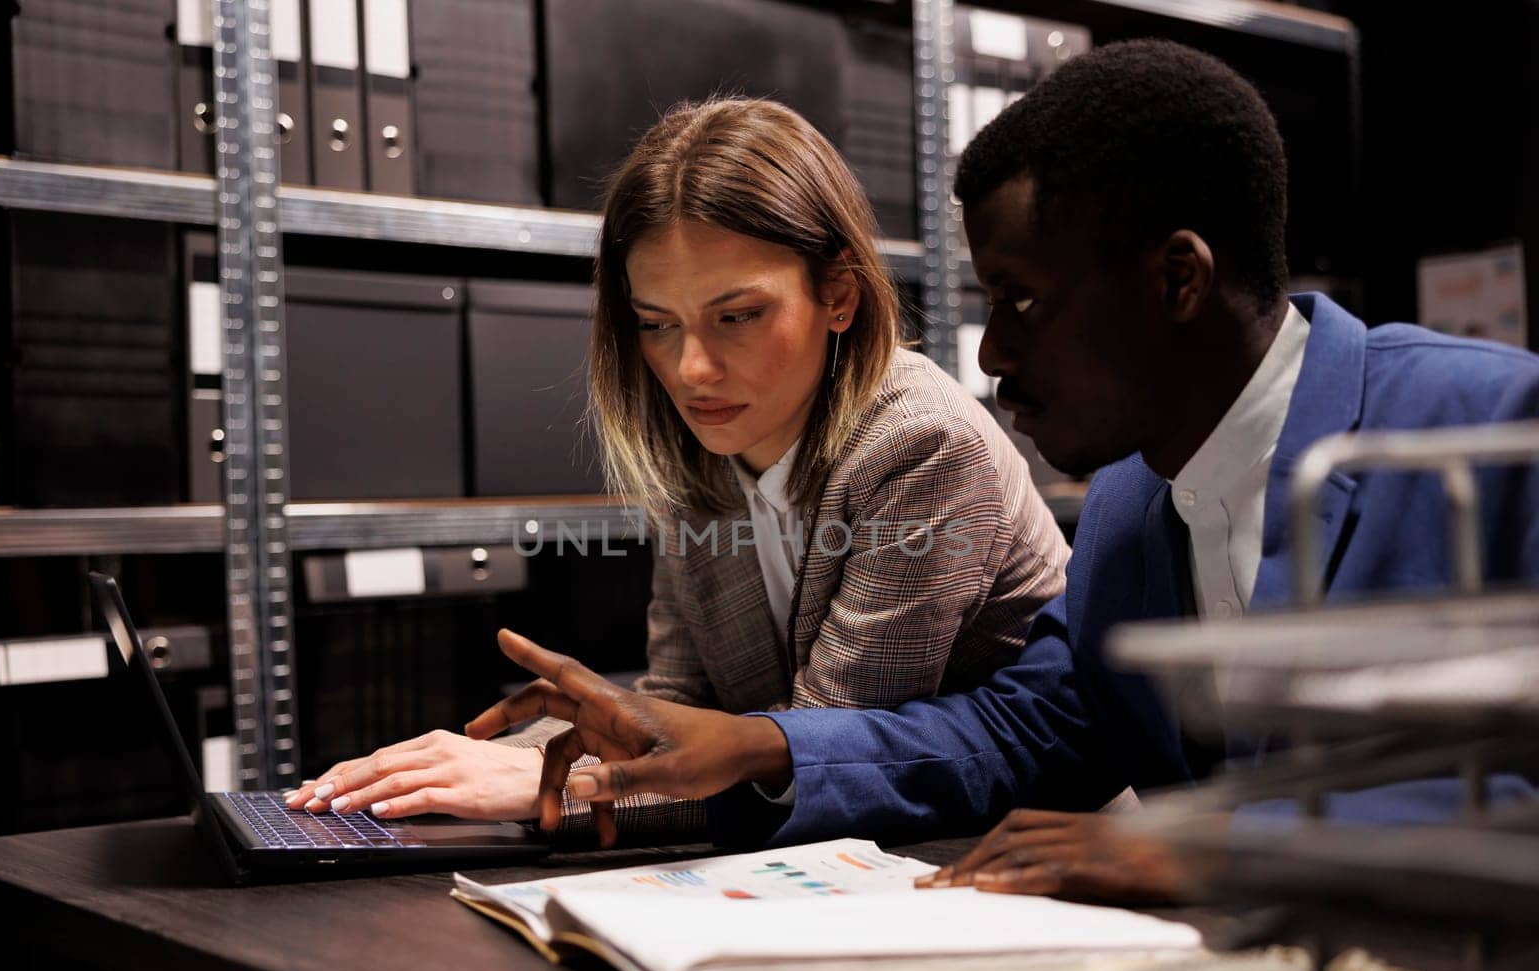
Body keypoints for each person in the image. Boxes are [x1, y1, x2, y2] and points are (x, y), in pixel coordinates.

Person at [464, 40, 1539, 895]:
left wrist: (1219, 842)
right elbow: (1023, 723)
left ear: (1177, 279)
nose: (988, 354)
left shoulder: (1496, 423)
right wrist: (753, 746)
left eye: (1020, 302)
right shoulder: (1127, 505)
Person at [284, 98, 1070, 838]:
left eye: (737, 318)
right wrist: (501, 762)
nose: (692, 369)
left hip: (1003, 854)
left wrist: (541, 783)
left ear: (839, 296)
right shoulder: (707, 445)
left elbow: (822, 756)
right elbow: (679, 705)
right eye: (657, 325)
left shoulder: (924, 443)